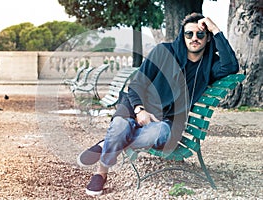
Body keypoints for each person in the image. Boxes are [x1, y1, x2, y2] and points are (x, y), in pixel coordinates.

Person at [77, 13, 239, 196]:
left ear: (208, 37)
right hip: (135, 108)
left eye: (200, 34)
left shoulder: (210, 65)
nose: (195, 38)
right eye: (189, 34)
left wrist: (215, 29)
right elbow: (137, 84)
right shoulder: (163, 51)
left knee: (157, 132)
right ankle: (101, 173)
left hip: (166, 122)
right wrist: (140, 111)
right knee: (121, 125)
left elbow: (232, 67)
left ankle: (106, 144)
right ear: (182, 36)